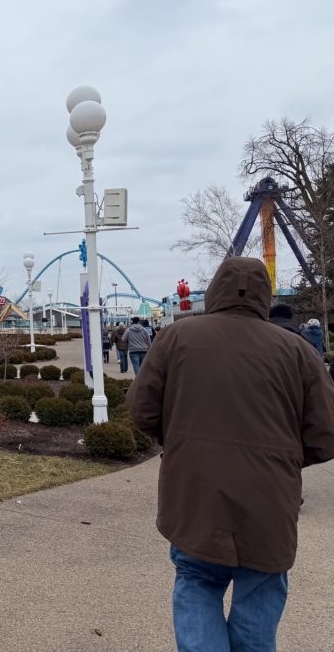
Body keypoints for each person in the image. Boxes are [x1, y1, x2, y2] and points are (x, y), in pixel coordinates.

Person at [126, 257, 334, 652]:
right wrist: (284, 457)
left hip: (194, 492)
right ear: (264, 297)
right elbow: (326, 434)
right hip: (269, 499)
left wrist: (179, 442)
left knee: (197, 581)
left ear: (216, 289)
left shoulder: (175, 337)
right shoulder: (299, 351)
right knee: (259, 593)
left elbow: (142, 410)